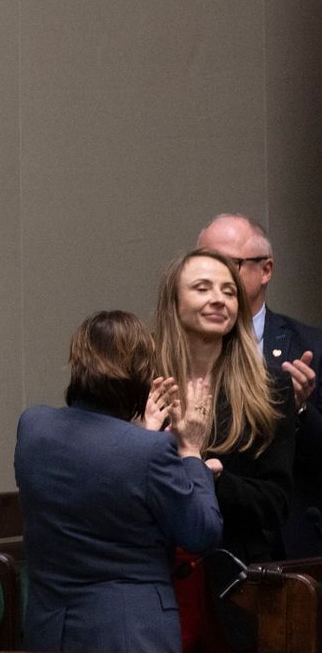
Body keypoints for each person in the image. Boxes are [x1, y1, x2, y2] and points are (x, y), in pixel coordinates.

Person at [16, 310, 222, 653]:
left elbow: (100, 471)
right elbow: (201, 532)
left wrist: (138, 434)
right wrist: (191, 452)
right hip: (129, 632)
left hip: (51, 629)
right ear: (141, 374)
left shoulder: (33, 427)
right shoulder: (150, 452)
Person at [155, 248, 295, 651]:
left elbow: (277, 501)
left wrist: (213, 477)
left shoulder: (269, 390)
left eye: (228, 292)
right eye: (202, 288)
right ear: (174, 303)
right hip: (154, 577)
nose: (219, 299)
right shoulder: (142, 382)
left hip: (232, 580)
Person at [197, 213, 322, 556]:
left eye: (228, 263)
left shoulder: (309, 346)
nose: (214, 275)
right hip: (199, 541)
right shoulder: (176, 350)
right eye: (204, 263)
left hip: (282, 545)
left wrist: (296, 408)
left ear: (265, 270)